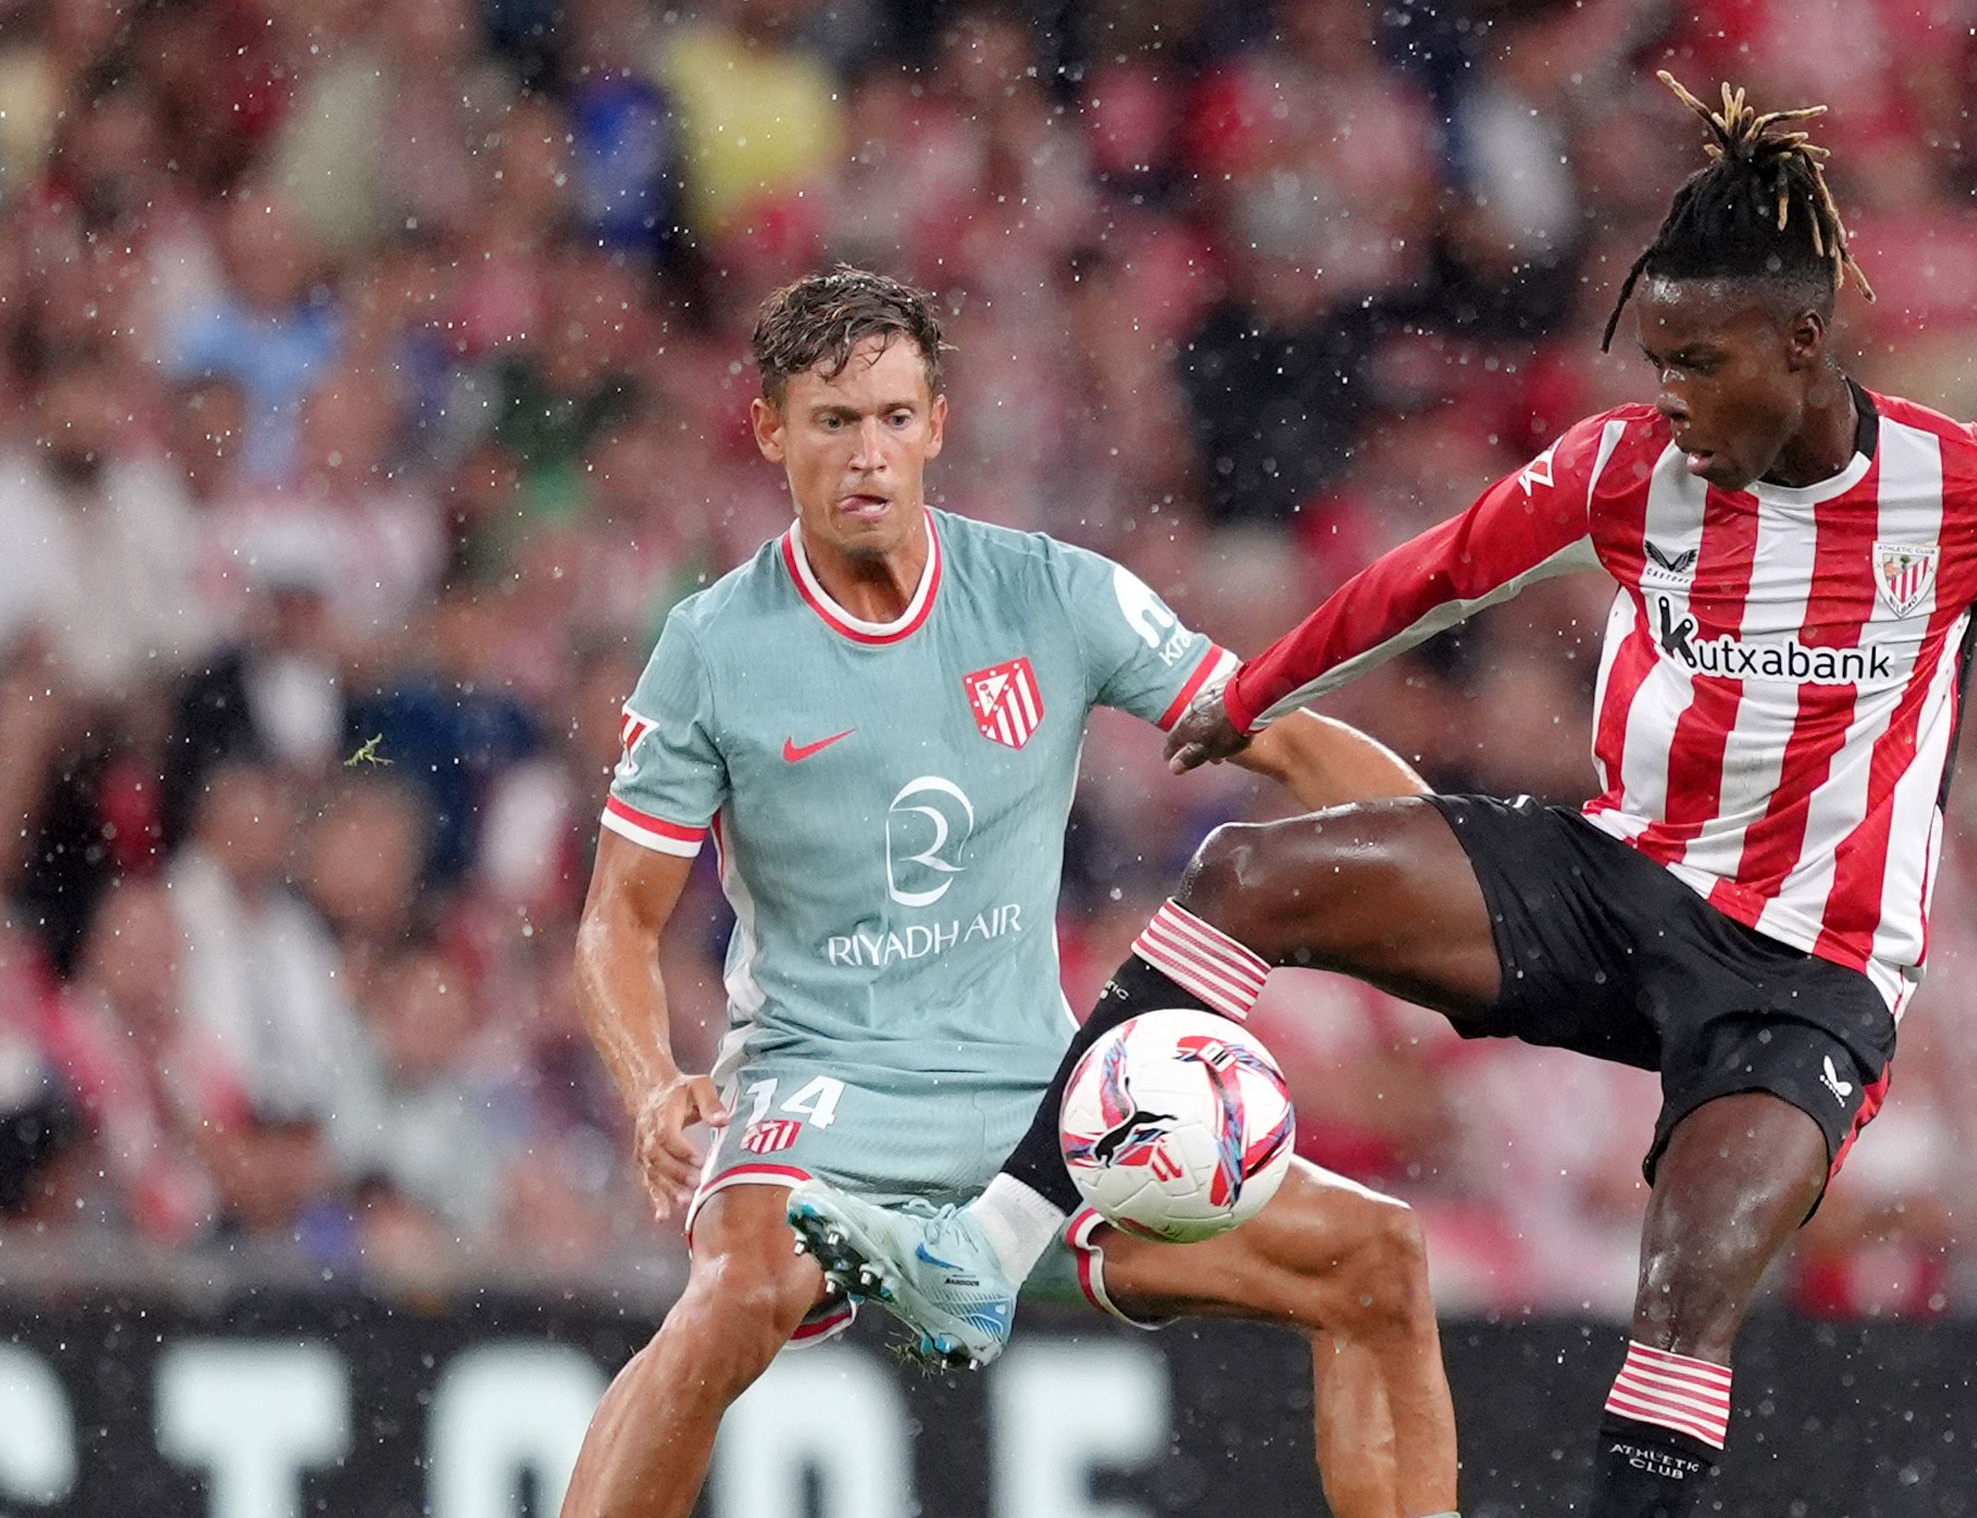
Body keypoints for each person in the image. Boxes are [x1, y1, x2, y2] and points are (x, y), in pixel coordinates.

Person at [796, 78, 1977, 1517]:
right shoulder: (1630, 469)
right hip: (1615, 884)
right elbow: (1435, 575)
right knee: (1248, 873)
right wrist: (1259, 688)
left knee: (1680, 1289)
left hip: (1811, 976)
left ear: (1800, 342)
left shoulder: (1973, 488)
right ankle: (987, 1245)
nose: (1665, 394)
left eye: (1696, 361)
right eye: (1653, 357)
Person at [560, 269, 1460, 1518]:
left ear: (938, 421)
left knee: (1375, 1261)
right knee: (736, 1295)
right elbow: (618, 917)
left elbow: (1287, 738)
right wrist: (654, 1085)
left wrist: (1471, 875)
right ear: (771, 431)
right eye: (831, 422)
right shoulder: (713, 648)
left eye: (891, 417)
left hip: (1039, 1105)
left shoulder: (1052, 595)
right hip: (823, 1082)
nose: (866, 455)